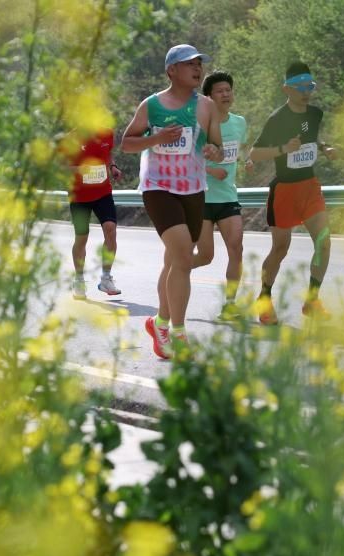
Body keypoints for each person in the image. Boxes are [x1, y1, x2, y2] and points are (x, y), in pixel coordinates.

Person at [121, 44, 224, 358]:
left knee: (174, 261)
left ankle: (159, 322)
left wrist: (212, 151)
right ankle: (178, 333)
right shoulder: (151, 106)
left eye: (199, 64)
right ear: (171, 71)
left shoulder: (206, 107)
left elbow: (217, 145)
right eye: (189, 64)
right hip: (159, 189)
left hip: (193, 189)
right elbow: (126, 143)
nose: (197, 69)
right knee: (181, 257)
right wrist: (156, 139)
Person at [248, 60, 338, 325]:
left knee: (324, 241)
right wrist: (282, 150)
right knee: (280, 249)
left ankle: (312, 300)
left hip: (309, 186)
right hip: (285, 190)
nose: (306, 91)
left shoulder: (314, 114)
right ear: (287, 89)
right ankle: (264, 299)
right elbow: (254, 153)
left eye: (309, 85)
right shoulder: (277, 120)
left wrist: (324, 148)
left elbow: (313, 136)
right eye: (300, 86)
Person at [194, 71, 248, 321]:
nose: (226, 94)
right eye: (220, 91)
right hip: (202, 199)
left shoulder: (239, 123)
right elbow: (187, 158)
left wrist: (246, 161)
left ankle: (230, 304)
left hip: (228, 197)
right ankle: (177, 270)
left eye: (229, 89)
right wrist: (210, 169)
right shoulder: (200, 125)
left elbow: (236, 152)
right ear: (208, 97)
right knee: (205, 256)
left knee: (236, 249)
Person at [66, 129, 123, 299]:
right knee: (81, 238)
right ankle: (79, 280)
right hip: (80, 196)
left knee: (111, 229)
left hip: (103, 193)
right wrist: (81, 169)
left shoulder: (107, 133)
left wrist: (112, 166)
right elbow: (61, 167)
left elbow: (108, 153)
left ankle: (106, 278)